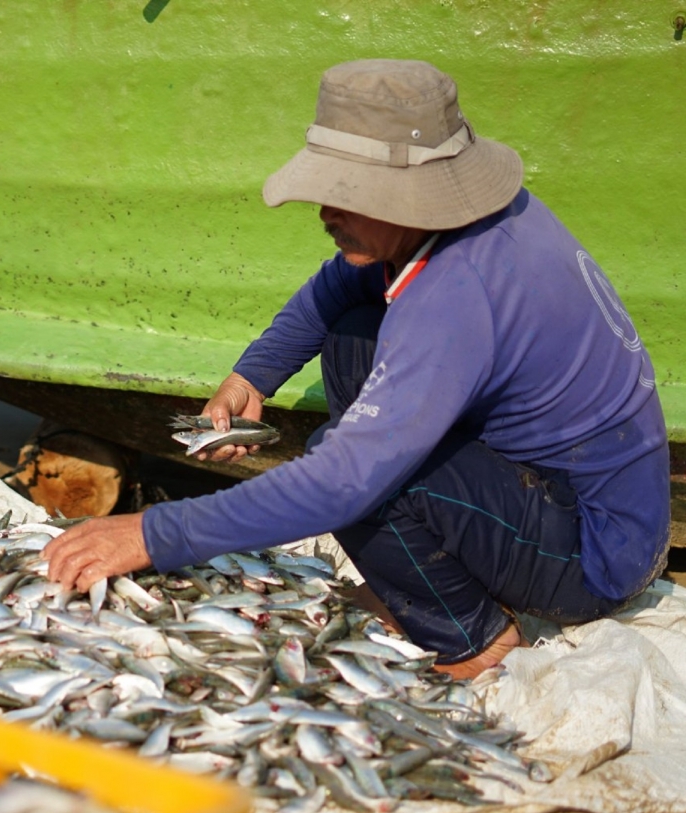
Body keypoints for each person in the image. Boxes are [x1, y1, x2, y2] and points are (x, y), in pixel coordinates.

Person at [42, 59, 668, 677]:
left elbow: (341, 481)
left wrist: (152, 533)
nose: (323, 212)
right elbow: (332, 292)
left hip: (594, 553)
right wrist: (250, 379)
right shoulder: (462, 223)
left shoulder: (456, 292)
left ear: (409, 198)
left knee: (353, 472)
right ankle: (431, 569)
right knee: (351, 336)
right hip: (552, 489)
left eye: (347, 196)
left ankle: (473, 639)